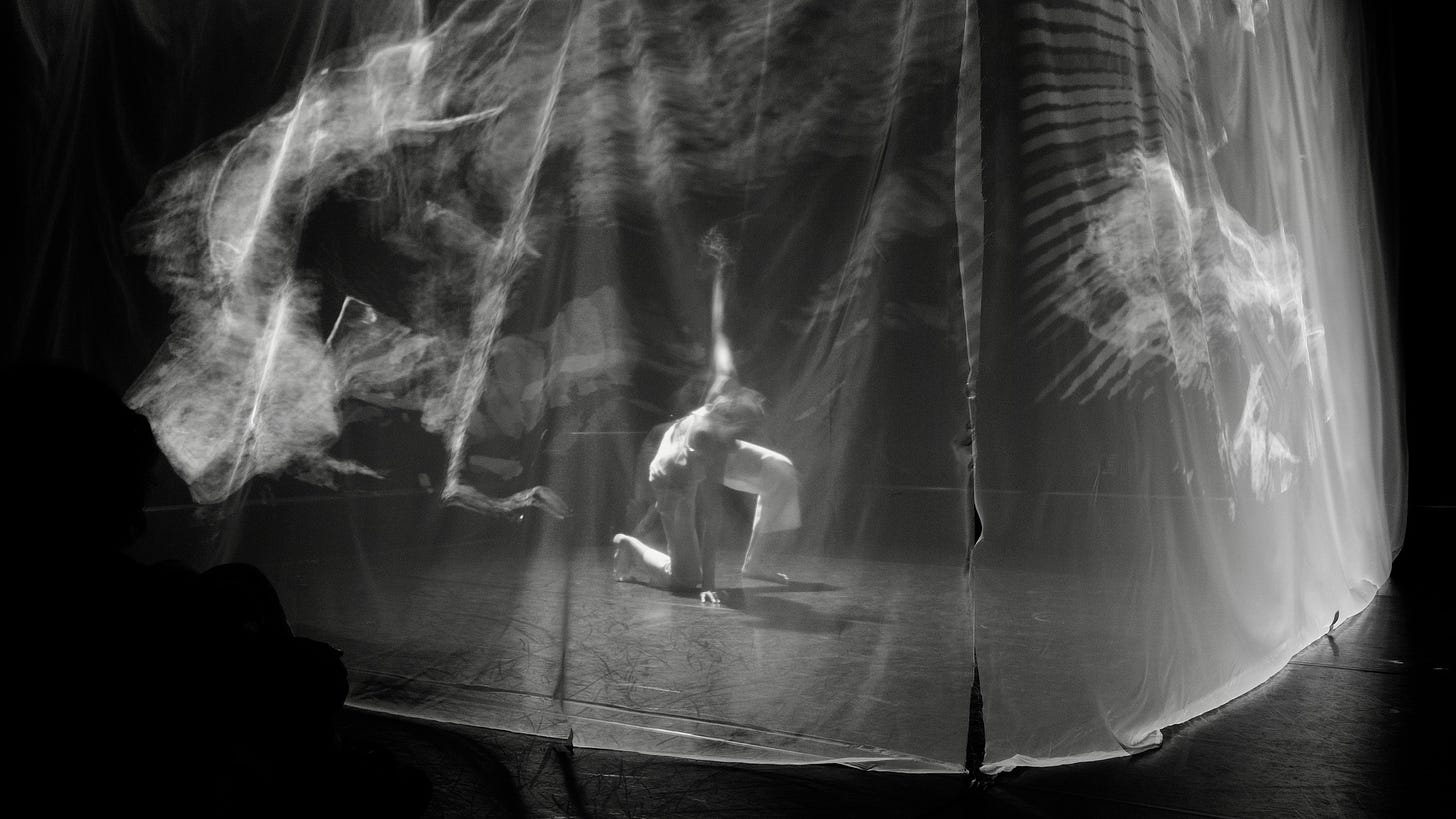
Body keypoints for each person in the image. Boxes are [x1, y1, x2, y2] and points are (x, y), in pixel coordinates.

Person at [613, 380, 801, 604]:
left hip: (688, 459)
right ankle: (626, 543)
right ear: (731, 422)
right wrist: (708, 585)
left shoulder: (720, 420)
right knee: (686, 580)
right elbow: (712, 515)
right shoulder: (709, 437)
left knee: (780, 469)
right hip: (670, 482)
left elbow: (725, 391)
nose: (746, 437)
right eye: (744, 430)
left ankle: (755, 563)